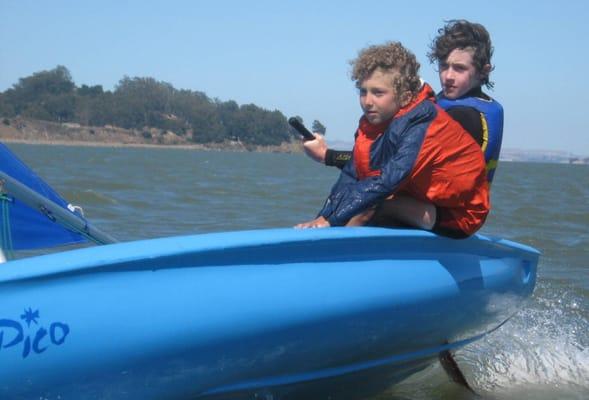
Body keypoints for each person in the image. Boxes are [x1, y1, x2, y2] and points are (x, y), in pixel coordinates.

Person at [296, 42, 489, 238]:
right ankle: (330, 244)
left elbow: (389, 179)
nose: (367, 101)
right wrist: (321, 219)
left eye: (378, 93)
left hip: (459, 215)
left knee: (368, 206)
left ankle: (340, 255)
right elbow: (351, 176)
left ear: (405, 98)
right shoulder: (371, 124)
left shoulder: (422, 120)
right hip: (418, 200)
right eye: (363, 91)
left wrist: (332, 220)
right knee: (359, 202)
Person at [303, 19, 503, 183]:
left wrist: (327, 156)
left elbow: (393, 163)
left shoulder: (465, 117)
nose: (447, 76)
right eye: (444, 66)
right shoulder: (448, 103)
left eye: (459, 68)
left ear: (483, 71)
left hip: (437, 217)